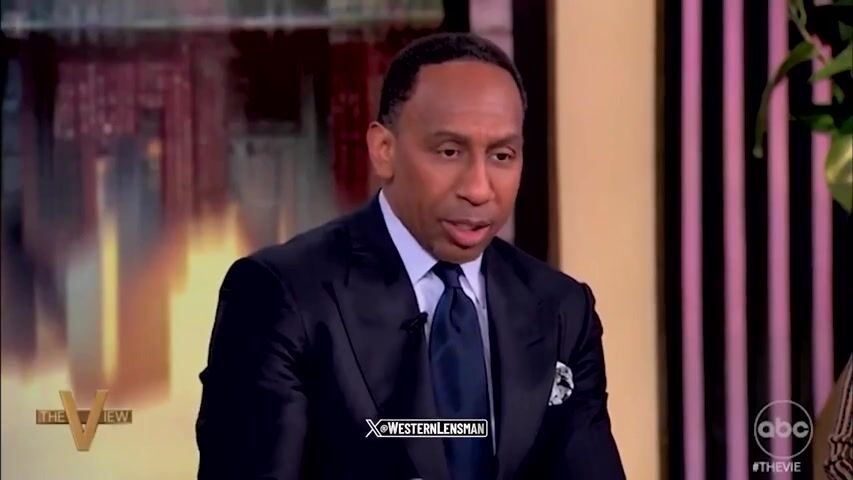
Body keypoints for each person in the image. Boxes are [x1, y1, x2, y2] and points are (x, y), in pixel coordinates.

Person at [195, 32, 625, 480]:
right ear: (384, 151)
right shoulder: (281, 296)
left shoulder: (561, 310)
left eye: (502, 155)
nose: (479, 189)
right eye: (449, 151)